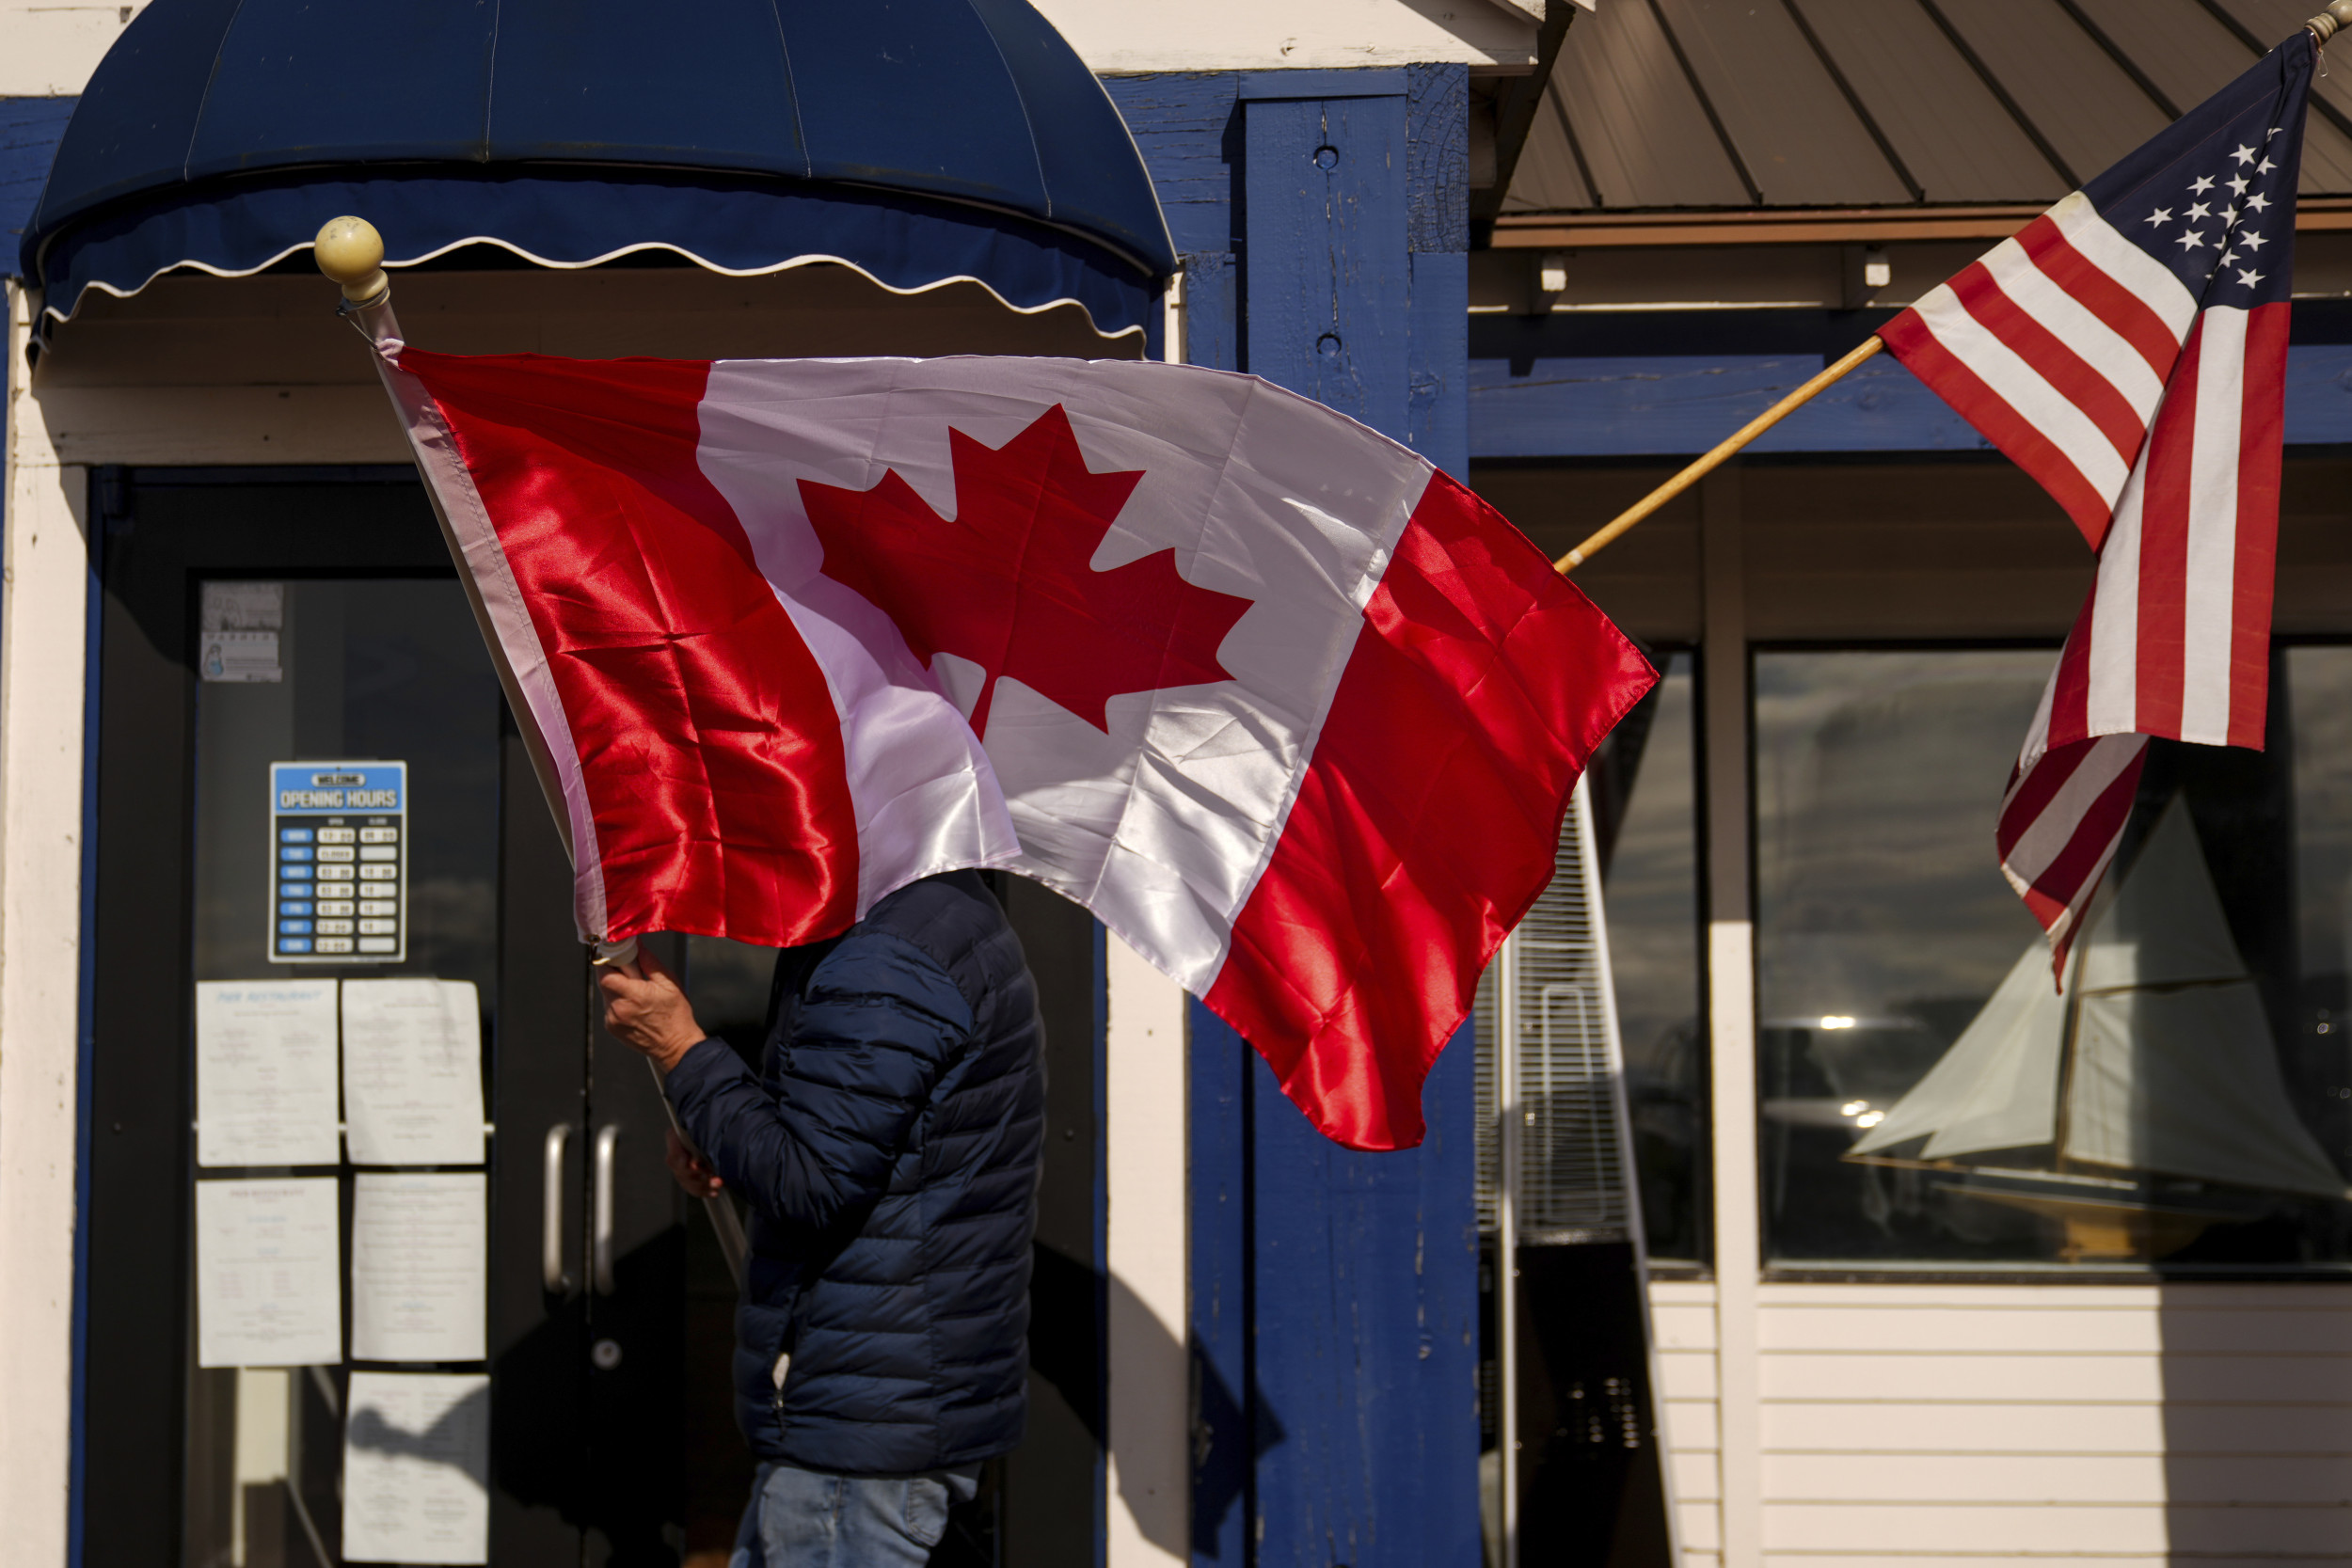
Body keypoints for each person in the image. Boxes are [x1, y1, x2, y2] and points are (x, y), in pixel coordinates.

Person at [598, 870, 1045, 1567]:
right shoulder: (927, 918)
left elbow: (813, 1178)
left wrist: (680, 1051)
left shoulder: (885, 951)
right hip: (875, 1417)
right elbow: (853, 1132)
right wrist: (723, 1127)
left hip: (859, 1442)